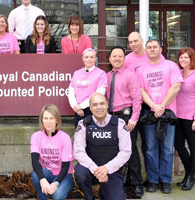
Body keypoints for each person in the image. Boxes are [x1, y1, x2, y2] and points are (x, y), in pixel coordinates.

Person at [136, 39, 183, 194]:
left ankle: (165, 180)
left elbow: (176, 87)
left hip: (168, 114)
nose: (152, 49)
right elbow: (141, 91)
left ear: (160, 49)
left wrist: (162, 105)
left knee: (168, 149)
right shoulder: (141, 69)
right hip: (150, 113)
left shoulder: (171, 66)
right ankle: (153, 180)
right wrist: (154, 106)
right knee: (150, 148)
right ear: (146, 50)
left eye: (155, 47)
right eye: (149, 47)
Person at [73, 93, 131, 200]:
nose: (98, 107)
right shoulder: (84, 124)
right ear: (90, 108)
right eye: (95, 105)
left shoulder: (119, 123)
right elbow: (78, 151)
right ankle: (89, 197)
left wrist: (106, 169)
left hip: (111, 171)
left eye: (101, 103)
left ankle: (104, 192)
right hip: (90, 170)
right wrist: (96, 169)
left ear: (107, 105)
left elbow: (125, 152)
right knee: (79, 173)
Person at [106, 46, 143, 197]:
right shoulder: (106, 76)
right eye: (114, 56)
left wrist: (134, 118)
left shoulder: (130, 75)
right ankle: (119, 180)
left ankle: (137, 183)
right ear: (110, 59)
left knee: (131, 149)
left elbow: (137, 99)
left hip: (126, 116)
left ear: (124, 58)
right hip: (111, 117)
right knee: (115, 150)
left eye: (120, 56)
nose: (117, 58)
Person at [30, 104, 75, 200]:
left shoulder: (65, 137)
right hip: (47, 172)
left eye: (51, 118)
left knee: (57, 195)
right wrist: (42, 179)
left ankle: (58, 188)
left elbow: (66, 166)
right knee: (35, 176)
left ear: (57, 120)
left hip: (65, 174)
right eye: (46, 118)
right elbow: (35, 160)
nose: (48, 122)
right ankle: (43, 198)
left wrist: (56, 183)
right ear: (42, 120)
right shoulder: (36, 136)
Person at [67, 48, 107, 127]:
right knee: (79, 137)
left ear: (95, 59)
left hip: (94, 110)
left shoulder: (101, 74)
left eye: (91, 57)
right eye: (87, 57)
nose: (89, 59)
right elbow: (70, 92)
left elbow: (99, 93)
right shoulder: (77, 73)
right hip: (79, 112)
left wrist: (81, 106)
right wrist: (75, 107)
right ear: (83, 58)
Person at [174, 47, 195, 191]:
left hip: (191, 117)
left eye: (186, 57)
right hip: (177, 116)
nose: (183, 60)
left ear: (192, 59)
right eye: (181, 57)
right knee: (179, 145)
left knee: (193, 147)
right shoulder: (179, 73)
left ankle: (190, 176)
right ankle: (190, 172)